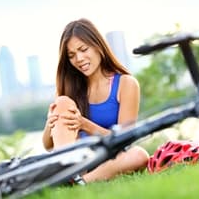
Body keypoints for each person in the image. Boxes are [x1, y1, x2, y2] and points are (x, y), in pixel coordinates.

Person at [42, 18, 149, 183]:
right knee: (62, 102)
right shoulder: (70, 89)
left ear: (98, 45)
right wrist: (51, 125)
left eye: (83, 49)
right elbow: (48, 145)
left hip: (112, 159)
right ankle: (70, 176)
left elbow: (125, 140)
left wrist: (84, 124)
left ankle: (81, 182)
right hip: (79, 161)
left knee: (139, 155)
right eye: (71, 55)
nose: (79, 59)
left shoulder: (125, 84)